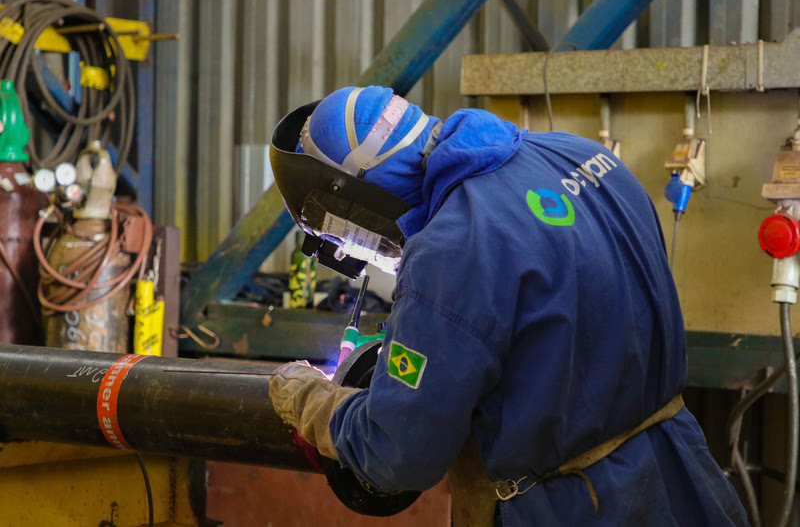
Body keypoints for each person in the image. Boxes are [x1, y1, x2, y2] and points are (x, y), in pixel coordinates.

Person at [267, 86, 748, 526]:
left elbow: (397, 453)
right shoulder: (578, 153)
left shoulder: (450, 249)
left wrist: (313, 401)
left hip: (577, 506)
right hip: (685, 473)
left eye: (343, 230)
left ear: (352, 190)